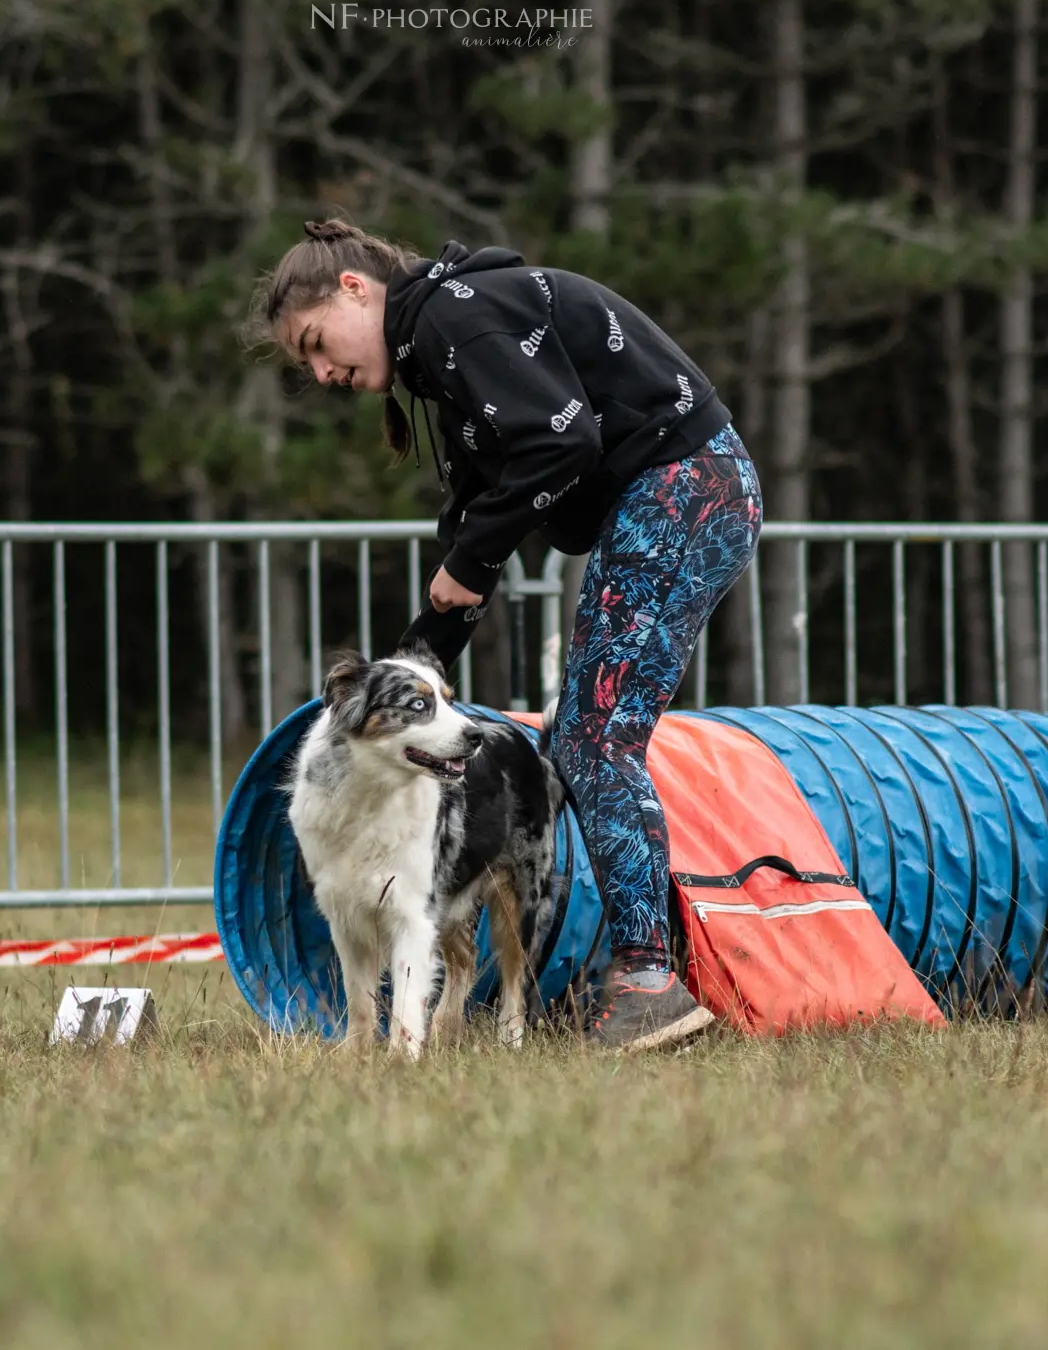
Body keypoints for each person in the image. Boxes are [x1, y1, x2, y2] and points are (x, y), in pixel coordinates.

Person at [247, 217, 762, 1052]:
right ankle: (649, 965)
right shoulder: (440, 348)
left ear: (353, 288)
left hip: (686, 486)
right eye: (306, 364)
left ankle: (650, 981)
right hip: (680, 488)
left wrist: (474, 560)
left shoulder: (456, 318)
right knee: (579, 738)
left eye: (315, 343)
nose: (321, 372)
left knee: (595, 743)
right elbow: (482, 527)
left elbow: (559, 443)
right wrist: (415, 659)